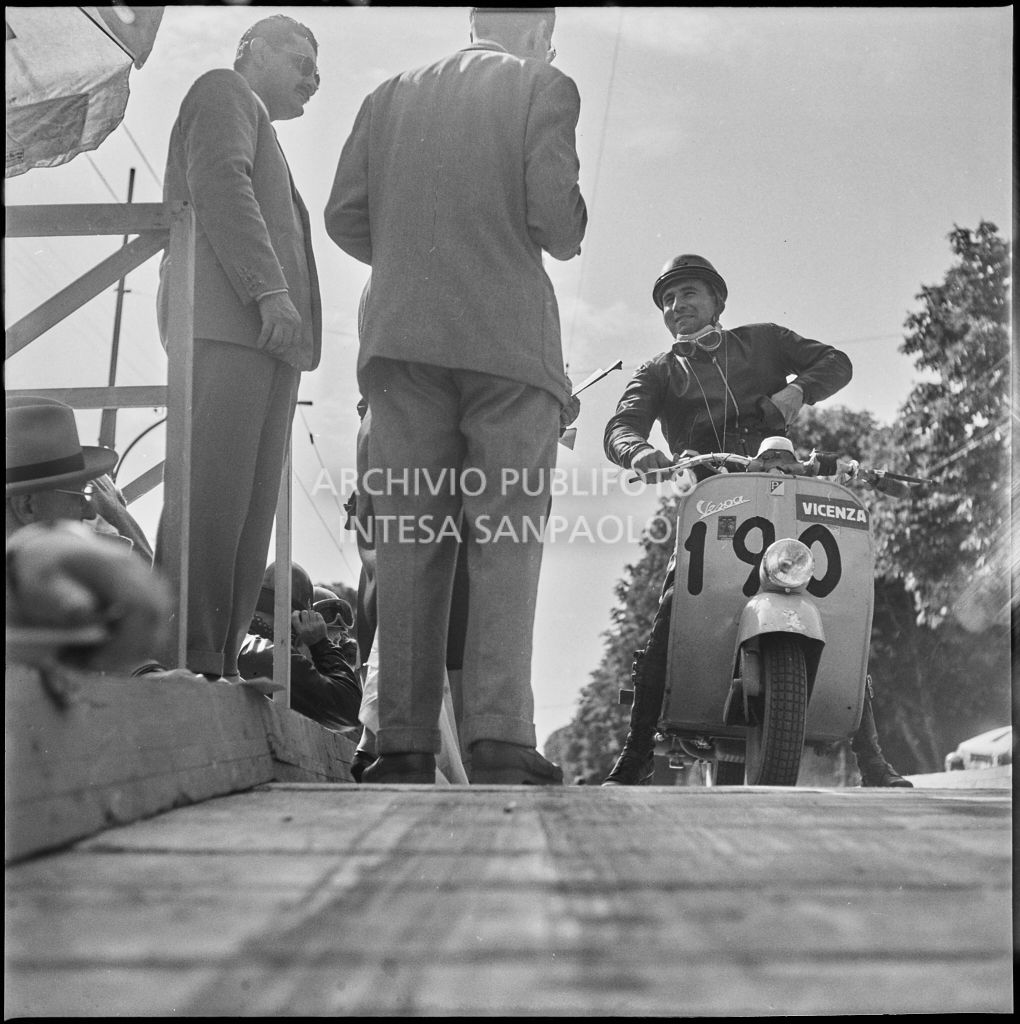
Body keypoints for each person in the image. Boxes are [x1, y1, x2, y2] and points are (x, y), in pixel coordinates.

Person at [325, 7, 586, 785]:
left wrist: (414, 259)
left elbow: (345, 217)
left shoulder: (389, 95)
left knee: (406, 540)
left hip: (402, 344)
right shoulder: (545, 85)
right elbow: (557, 222)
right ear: (538, 29)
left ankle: (401, 741)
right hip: (507, 349)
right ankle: (499, 737)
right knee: (505, 539)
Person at [601, 253, 912, 789]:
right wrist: (637, 452)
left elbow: (836, 361)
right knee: (671, 613)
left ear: (718, 301)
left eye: (690, 293)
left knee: (836, 608)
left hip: (784, 493)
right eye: (668, 300)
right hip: (715, 504)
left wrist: (797, 392)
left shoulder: (765, 340)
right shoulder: (656, 371)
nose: (678, 306)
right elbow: (620, 426)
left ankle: (873, 761)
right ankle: (634, 758)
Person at [153, 14, 322, 686]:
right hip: (230, 323)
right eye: (301, 60)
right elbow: (221, 182)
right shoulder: (224, 89)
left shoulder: (264, 129)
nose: (312, 79)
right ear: (252, 51)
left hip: (268, 342)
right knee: (211, 499)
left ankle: (215, 661)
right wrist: (268, 293)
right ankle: (183, 655)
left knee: (249, 516)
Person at [237, 562, 362, 731]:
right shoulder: (266, 653)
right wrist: (321, 645)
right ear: (299, 622)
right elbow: (350, 710)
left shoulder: (243, 643)